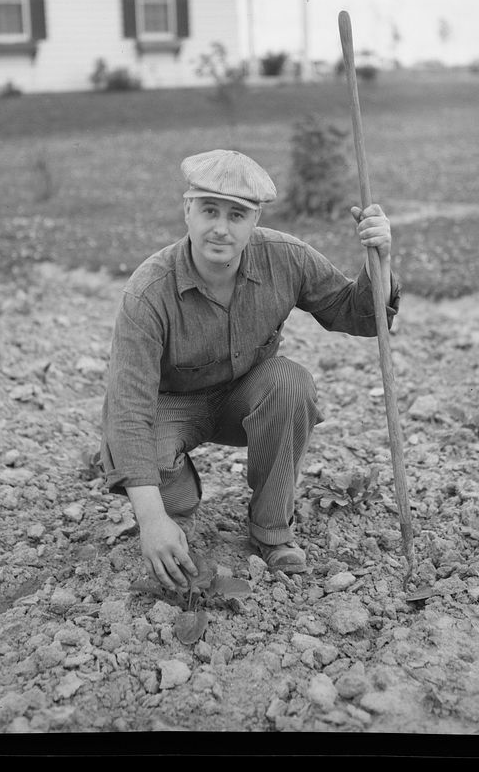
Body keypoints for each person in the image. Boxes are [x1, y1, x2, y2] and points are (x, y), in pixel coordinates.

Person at [101, 149, 401, 590]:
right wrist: (151, 520)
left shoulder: (286, 258)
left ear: (254, 220)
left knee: (290, 383)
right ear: (188, 210)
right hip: (171, 407)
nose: (221, 228)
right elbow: (127, 411)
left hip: (246, 397)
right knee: (162, 496)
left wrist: (382, 259)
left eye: (237, 215)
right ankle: (176, 511)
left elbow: (355, 314)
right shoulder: (148, 293)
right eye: (209, 210)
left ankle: (271, 531)